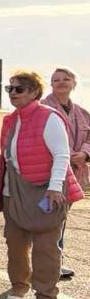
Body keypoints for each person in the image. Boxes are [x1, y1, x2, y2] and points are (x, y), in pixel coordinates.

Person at [0, 70, 84, 299]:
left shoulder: (48, 117)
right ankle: (19, 287)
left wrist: (54, 187)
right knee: (15, 242)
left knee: (45, 246)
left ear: (34, 92)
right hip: (14, 191)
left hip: (46, 190)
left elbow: (61, 155)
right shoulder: (11, 119)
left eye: (19, 89)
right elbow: (7, 157)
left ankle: (47, 298)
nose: (13, 93)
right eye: (9, 89)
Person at [44, 68, 90, 281]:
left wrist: (84, 153)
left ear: (74, 83)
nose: (61, 82)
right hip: (49, 173)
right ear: (51, 84)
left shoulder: (82, 112)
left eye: (66, 79)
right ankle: (45, 263)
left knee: (60, 219)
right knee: (47, 219)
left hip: (73, 175)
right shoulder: (43, 109)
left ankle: (54, 262)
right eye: (56, 80)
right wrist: (69, 155)